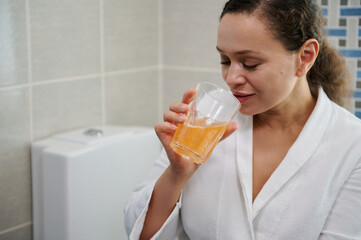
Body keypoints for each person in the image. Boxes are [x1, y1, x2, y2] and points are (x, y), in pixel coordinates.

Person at [124, 0, 361, 239]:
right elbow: (137, 229)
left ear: (305, 57)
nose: (231, 78)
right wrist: (176, 174)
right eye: (225, 61)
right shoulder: (204, 121)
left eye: (250, 63)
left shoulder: (352, 145)